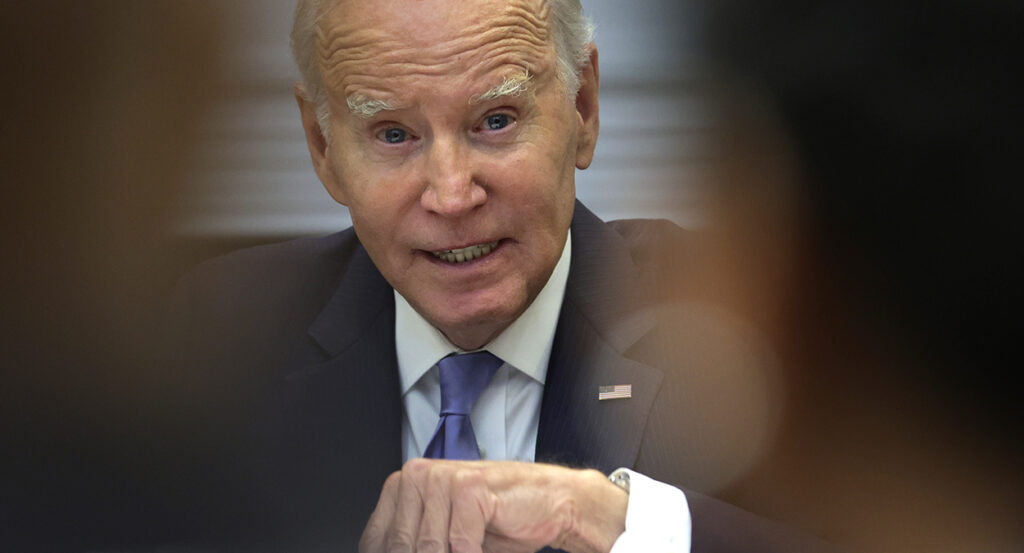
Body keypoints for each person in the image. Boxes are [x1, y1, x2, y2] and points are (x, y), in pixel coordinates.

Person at [165, 0, 845, 552]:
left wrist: (622, 523)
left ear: (583, 108)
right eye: (394, 135)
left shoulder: (748, 316)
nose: (453, 194)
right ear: (322, 146)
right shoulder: (216, 339)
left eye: (496, 120)